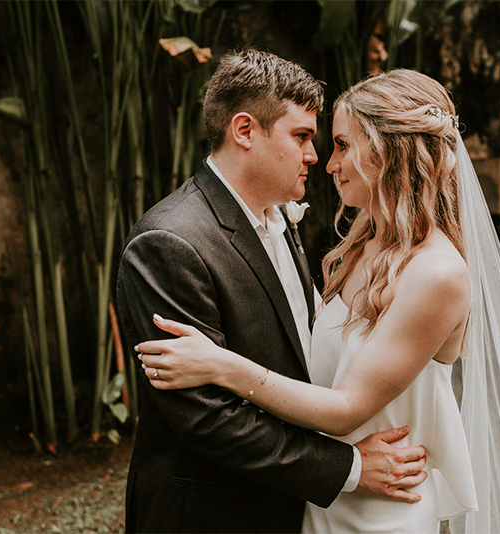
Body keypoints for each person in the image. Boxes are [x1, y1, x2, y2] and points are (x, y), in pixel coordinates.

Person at [138, 68, 500, 533]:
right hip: (323, 500)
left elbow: (347, 407)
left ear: (388, 151)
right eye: (315, 140)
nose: (326, 163)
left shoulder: (438, 273)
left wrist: (220, 365)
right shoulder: (363, 240)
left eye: (341, 144)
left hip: (384, 504)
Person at [115, 50, 430, 534]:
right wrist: (349, 468)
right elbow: (208, 419)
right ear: (245, 131)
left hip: (287, 507)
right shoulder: (169, 243)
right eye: (302, 136)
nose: (315, 156)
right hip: (212, 516)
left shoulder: (277, 216)